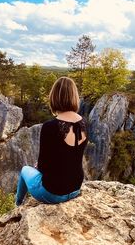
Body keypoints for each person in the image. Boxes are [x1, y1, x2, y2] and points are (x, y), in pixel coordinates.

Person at [15, 77, 88, 205]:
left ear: (54, 97)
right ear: (74, 97)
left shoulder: (50, 126)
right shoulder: (84, 123)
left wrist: (38, 167)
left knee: (25, 170)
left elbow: (43, 165)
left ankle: (17, 204)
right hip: (75, 188)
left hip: (53, 193)